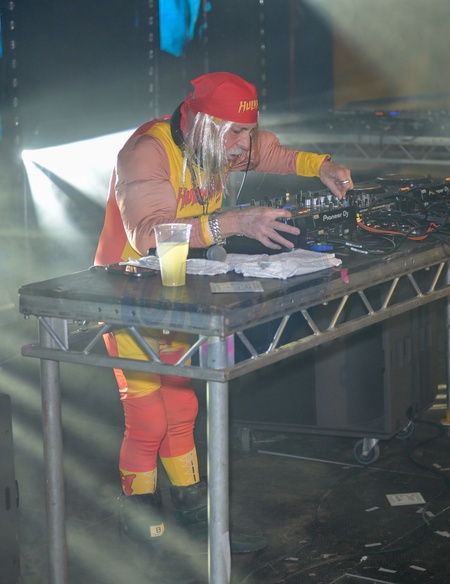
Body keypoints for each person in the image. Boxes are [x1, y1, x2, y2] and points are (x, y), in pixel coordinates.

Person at [94, 72, 353, 551]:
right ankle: (141, 526)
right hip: (128, 296)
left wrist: (321, 166)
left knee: (183, 407)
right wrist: (233, 222)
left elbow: (272, 153)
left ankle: (195, 514)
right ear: (203, 125)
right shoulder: (147, 152)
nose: (242, 146)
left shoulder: (226, 142)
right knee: (148, 418)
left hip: (178, 291)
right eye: (234, 133)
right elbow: (148, 235)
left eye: (247, 132)